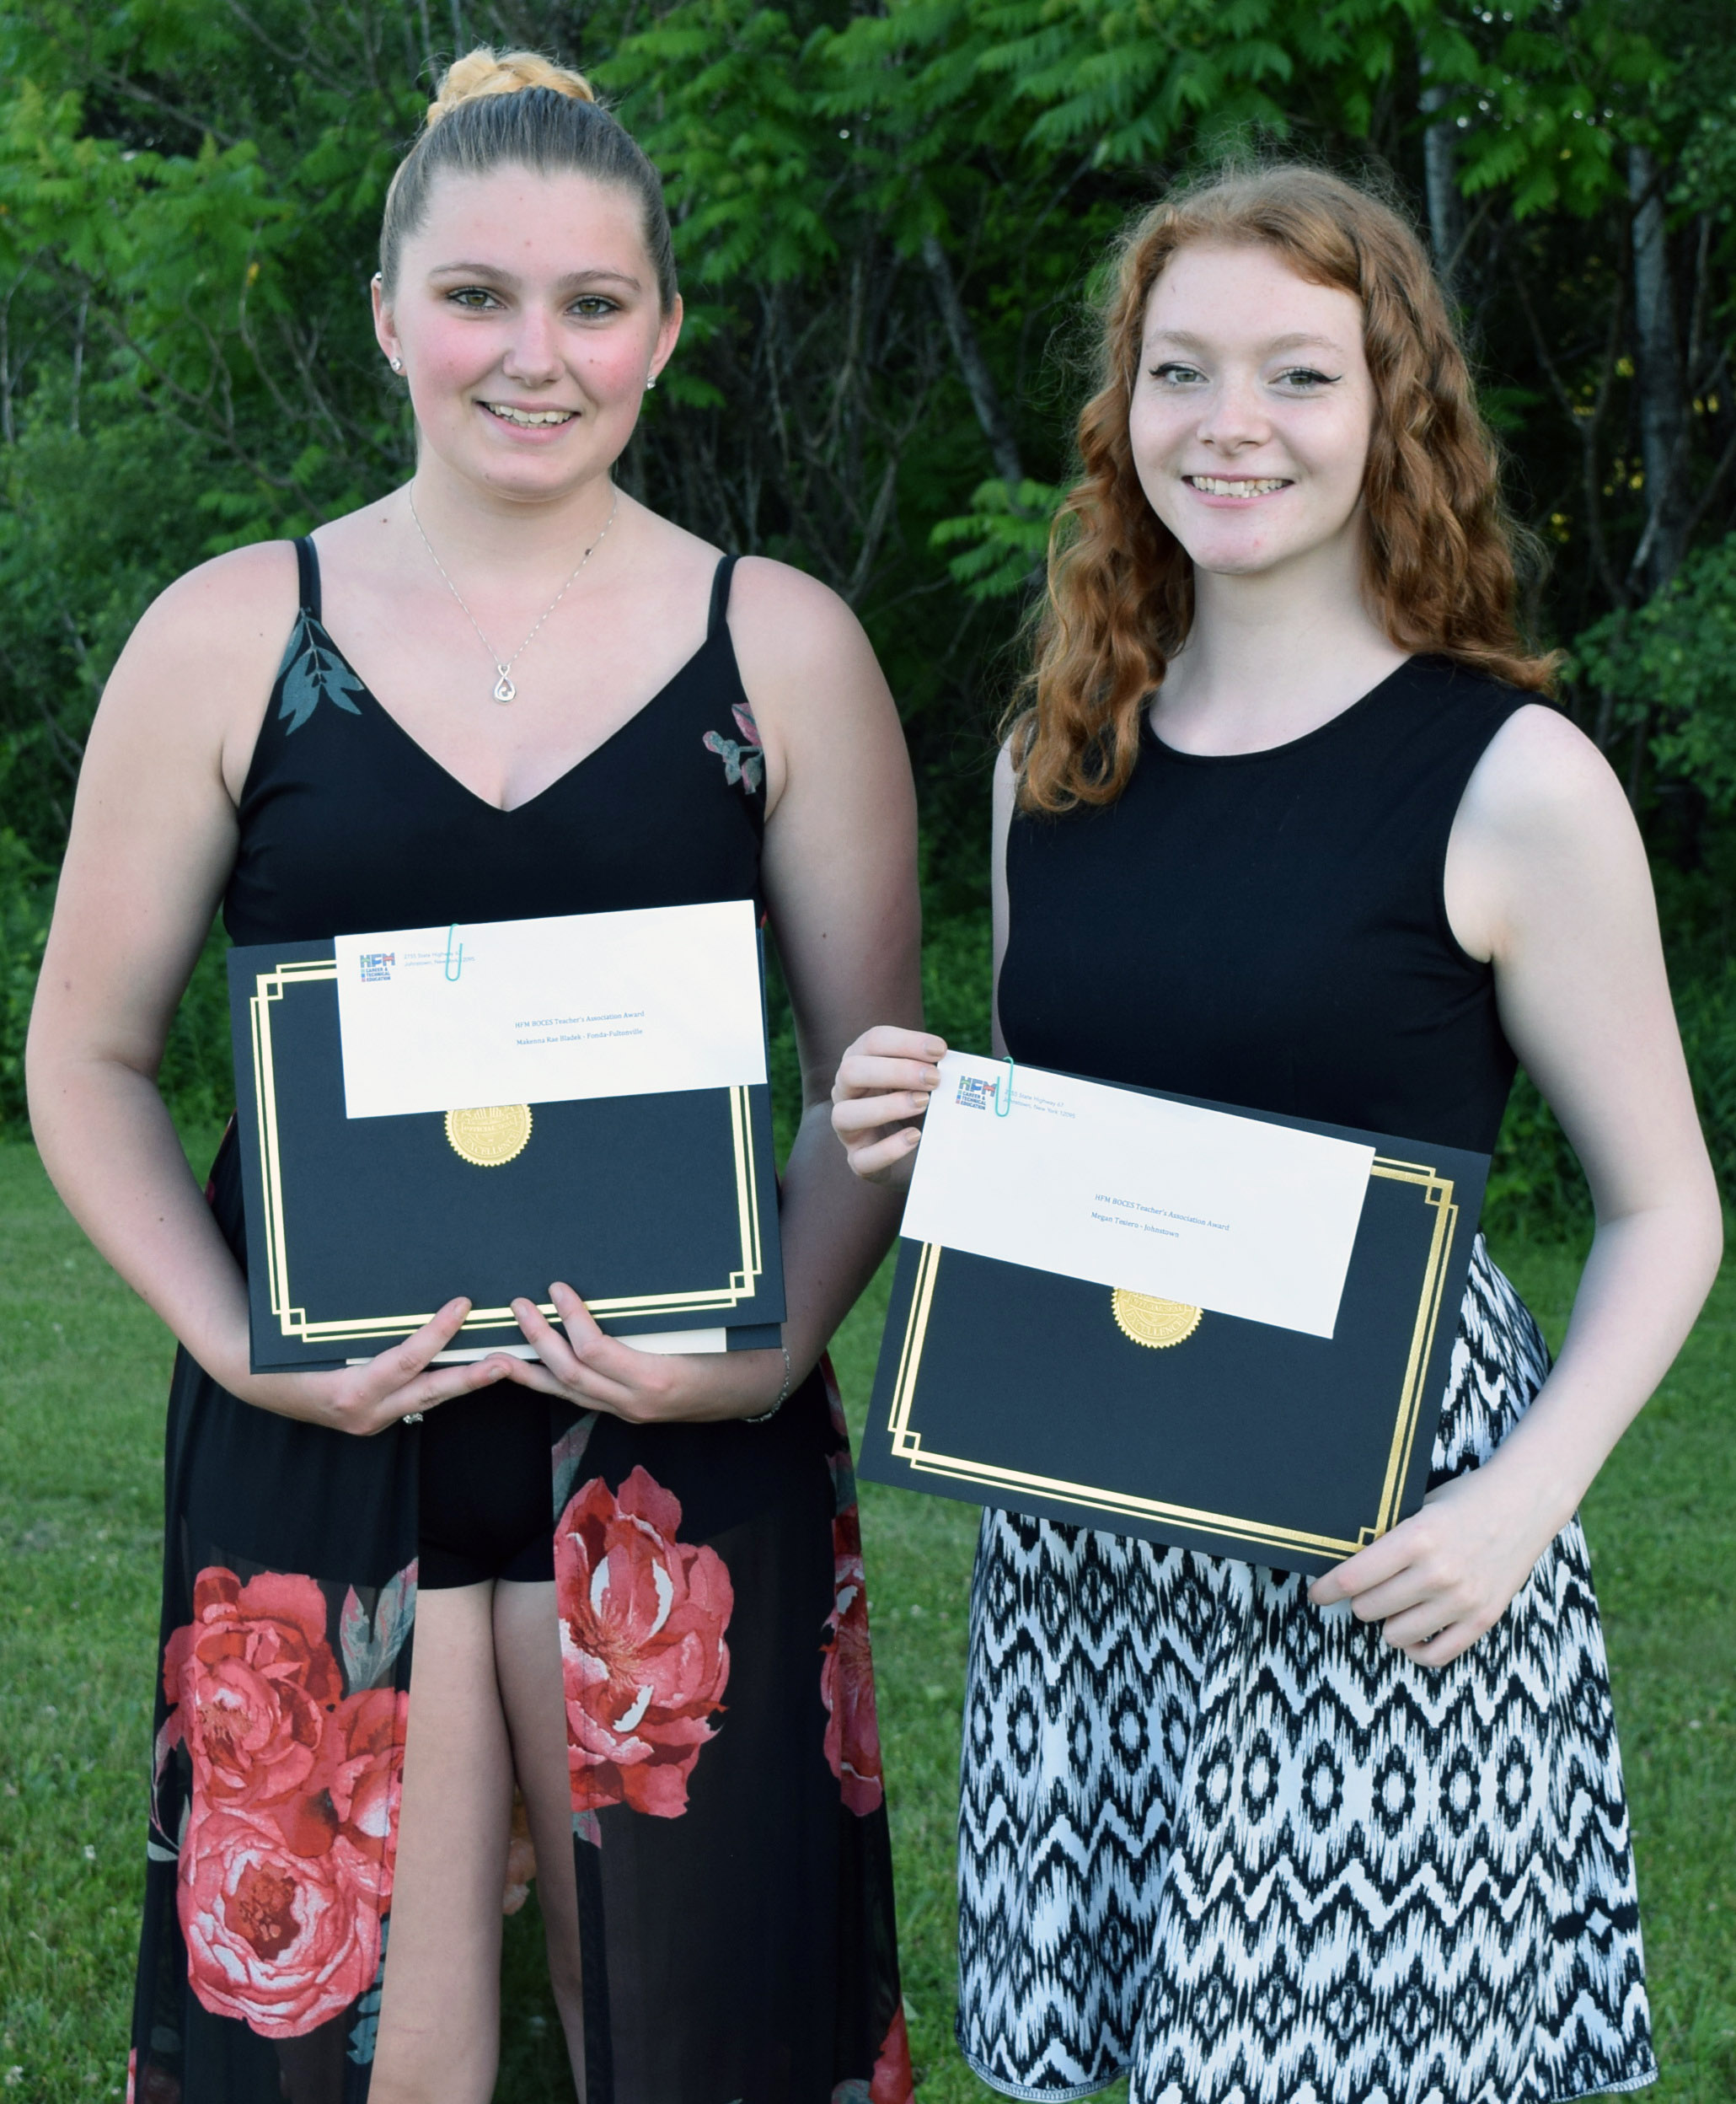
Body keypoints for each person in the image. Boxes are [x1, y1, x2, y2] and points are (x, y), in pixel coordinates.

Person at [29, 49, 919, 2104]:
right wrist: (242, 1346)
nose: (538, 355)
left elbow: (864, 1085)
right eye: (479, 297)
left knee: (694, 2047)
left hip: (684, 1447)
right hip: (328, 1438)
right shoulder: (233, 634)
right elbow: (81, 1057)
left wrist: (762, 1356)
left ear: (666, 330)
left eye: (594, 304)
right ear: (385, 310)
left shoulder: (774, 643)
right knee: (362, 2057)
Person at [831, 163, 1719, 2103]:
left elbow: (1666, 1211)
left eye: (1297, 374)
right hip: (1094, 1539)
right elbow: (1064, 1146)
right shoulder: (1053, 754)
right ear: (1121, 412)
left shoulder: (1511, 778)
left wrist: (1522, 1503)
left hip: (1385, 1538)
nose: (1230, 424)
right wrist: (928, 1123)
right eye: (1181, 371)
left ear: (1395, 410)